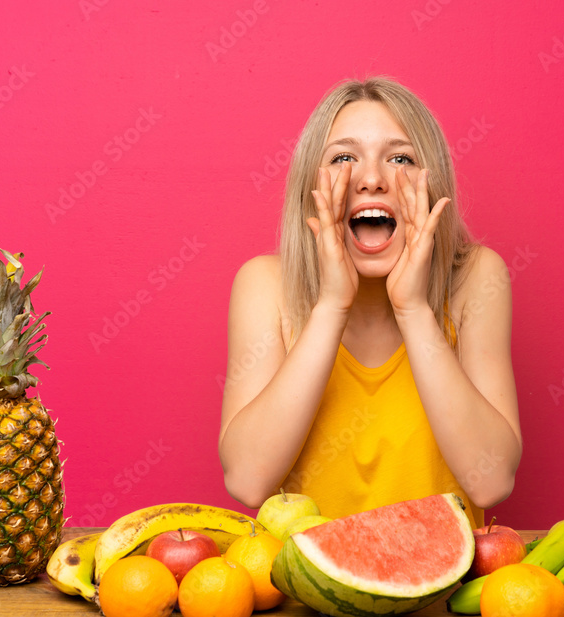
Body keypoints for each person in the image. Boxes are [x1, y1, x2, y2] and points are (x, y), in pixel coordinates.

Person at [219, 76, 520, 528]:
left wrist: (414, 309)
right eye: (343, 158)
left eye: (400, 158)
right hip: (307, 592)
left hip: (438, 594)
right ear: (310, 190)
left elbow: (491, 480)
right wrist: (332, 306)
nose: (374, 179)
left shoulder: (476, 279)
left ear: (432, 183)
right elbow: (247, 479)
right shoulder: (264, 284)